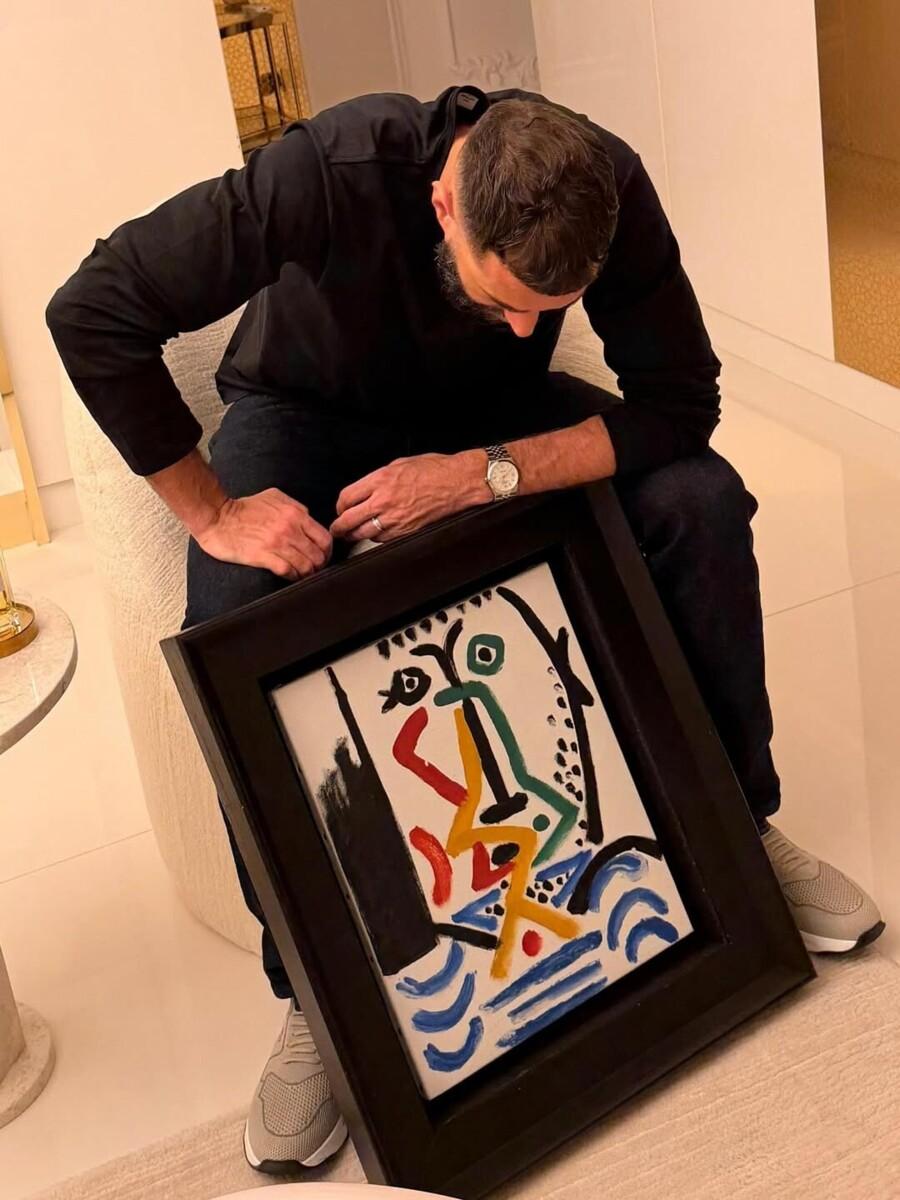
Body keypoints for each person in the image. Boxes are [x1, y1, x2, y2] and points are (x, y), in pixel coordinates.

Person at [47, 84, 883, 1175]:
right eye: (507, 298)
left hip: (487, 422)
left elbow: (682, 403)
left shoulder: (608, 183)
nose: (532, 329)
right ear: (444, 203)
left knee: (701, 500)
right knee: (234, 607)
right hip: (309, 410)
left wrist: (485, 473)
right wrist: (211, 513)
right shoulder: (331, 171)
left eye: (552, 309)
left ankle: (739, 825)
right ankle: (310, 991)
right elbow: (93, 310)